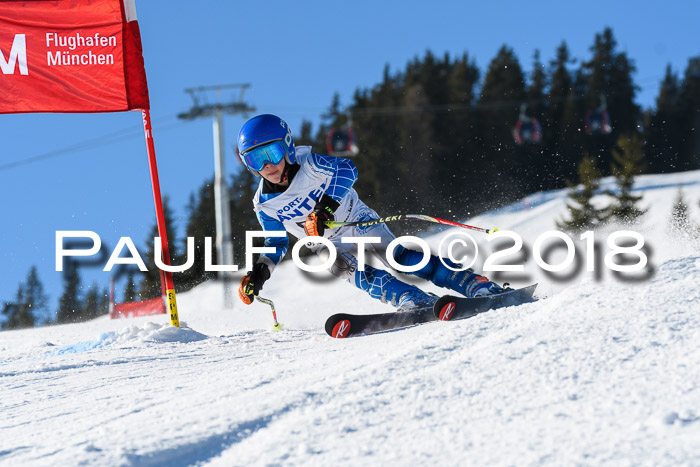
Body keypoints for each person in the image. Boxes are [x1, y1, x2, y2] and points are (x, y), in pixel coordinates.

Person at [236, 114, 506, 310]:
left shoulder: (309, 164)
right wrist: (260, 273)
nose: (267, 165)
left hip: (357, 217)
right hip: (328, 242)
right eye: (256, 158)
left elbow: (347, 170)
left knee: (398, 257)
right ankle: (411, 299)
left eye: (271, 152)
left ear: (287, 146)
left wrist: (324, 209)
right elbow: (276, 242)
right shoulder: (264, 204)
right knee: (347, 269)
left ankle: (472, 282)